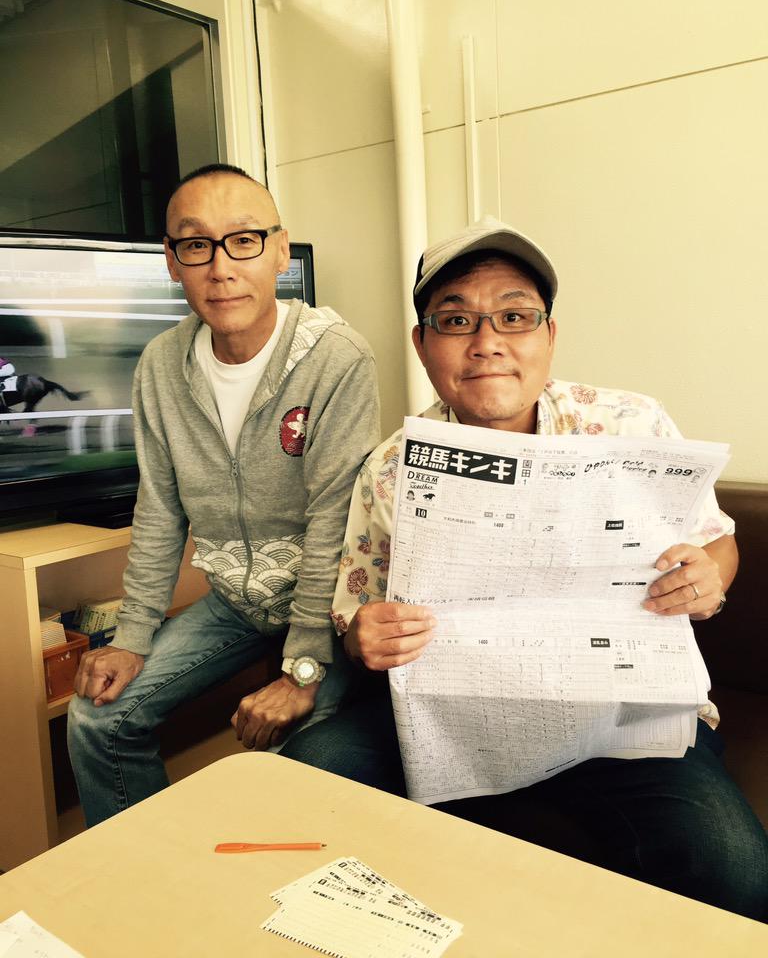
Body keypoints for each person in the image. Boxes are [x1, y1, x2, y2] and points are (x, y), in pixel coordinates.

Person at [281, 215, 768, 921]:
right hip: (451, 712)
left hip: (616, 715)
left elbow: (719, 542)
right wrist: (364, 637)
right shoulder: (392, 467)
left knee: (735, 872)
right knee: (307, 777)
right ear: (421, 344)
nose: (487, 342)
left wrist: (709, 577)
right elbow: (356, 612)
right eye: (456, 321)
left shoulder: (630, 425)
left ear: (549, 335)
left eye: (514, 317)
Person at [67, 164, 380, 826]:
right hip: (236, 605)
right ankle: (146, 869)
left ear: (279, 250)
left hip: (330, 612)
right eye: (196, 244)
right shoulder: (161, 365)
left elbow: (334, 520)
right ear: (172, 261)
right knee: (97, 717)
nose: (220, 267)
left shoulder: (337, 358)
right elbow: (159, 509)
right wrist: (131, 636)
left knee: (293, 767)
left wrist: (301, 669)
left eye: (243, 240)